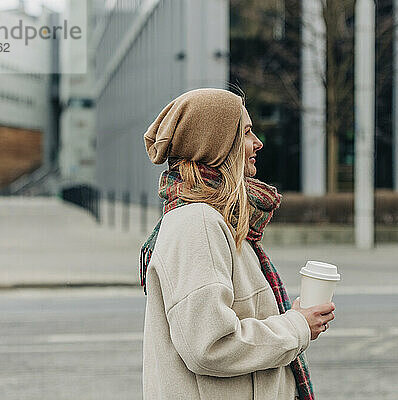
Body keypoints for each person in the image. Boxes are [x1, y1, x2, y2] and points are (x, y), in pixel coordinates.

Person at [140, 88, 335, 400]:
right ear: (216, 146)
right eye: (245, 133)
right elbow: (210, 345)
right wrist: (297, 326)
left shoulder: (214, 219)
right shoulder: (197, 222)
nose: (257, 143)